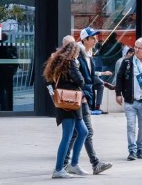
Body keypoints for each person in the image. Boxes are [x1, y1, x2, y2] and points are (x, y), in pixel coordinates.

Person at [62, 28, 112, 175]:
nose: (96, 40)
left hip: (85, 97)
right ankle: (94, 163)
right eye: (92, 38)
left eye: (95, 37)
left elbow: (90, 76)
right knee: (86, 131)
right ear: (85, 40)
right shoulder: (78, 54)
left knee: (76, 133)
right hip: (80, 98)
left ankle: (65, 164)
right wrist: (83, 93)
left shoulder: (89, 54)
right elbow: (77, 77)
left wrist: (103, 84)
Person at [44, 42, 88, 179]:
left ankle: (73, 164)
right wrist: (78, 67)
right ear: (74, 52)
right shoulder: (70, 62)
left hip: (68, 104)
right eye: (77, 53)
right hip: (69, 104)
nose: (78, 55)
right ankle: (58, 169)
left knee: (83, 132)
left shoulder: (60, 62)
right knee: (67, 136)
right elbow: (81, 81)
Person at [115, 38, 142, 161]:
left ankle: (140, 149)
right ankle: (132, 150)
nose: (136, 49)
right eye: (135, 47)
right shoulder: (127, 62)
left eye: (139, 48)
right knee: (131, 126)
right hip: (130, 101)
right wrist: (118, 93)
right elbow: (119, 77)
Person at [0, 32, 19, 112]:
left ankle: (3, 107)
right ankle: (9, 108)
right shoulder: (11, 46)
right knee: (9, 91)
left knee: (1, 91)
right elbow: (16, 58)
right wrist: (14, 70)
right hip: (8, 72)